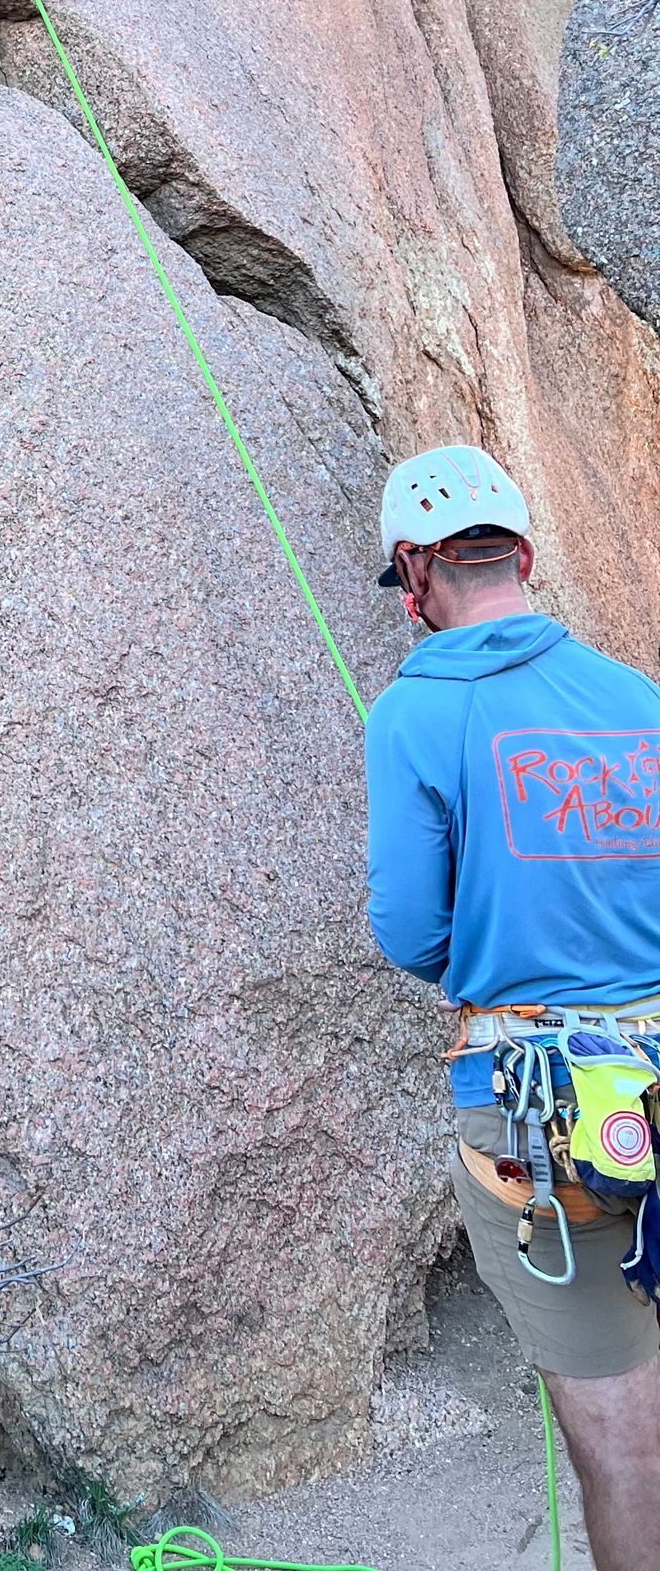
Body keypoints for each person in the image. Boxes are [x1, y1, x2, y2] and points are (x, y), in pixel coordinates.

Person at [365, 443, 660, 1571]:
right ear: (524, 556)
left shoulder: (415, 711)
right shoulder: (637, 697)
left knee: (627, 1452)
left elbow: (410, 932)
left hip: (548, 1123)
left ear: (417, 572)